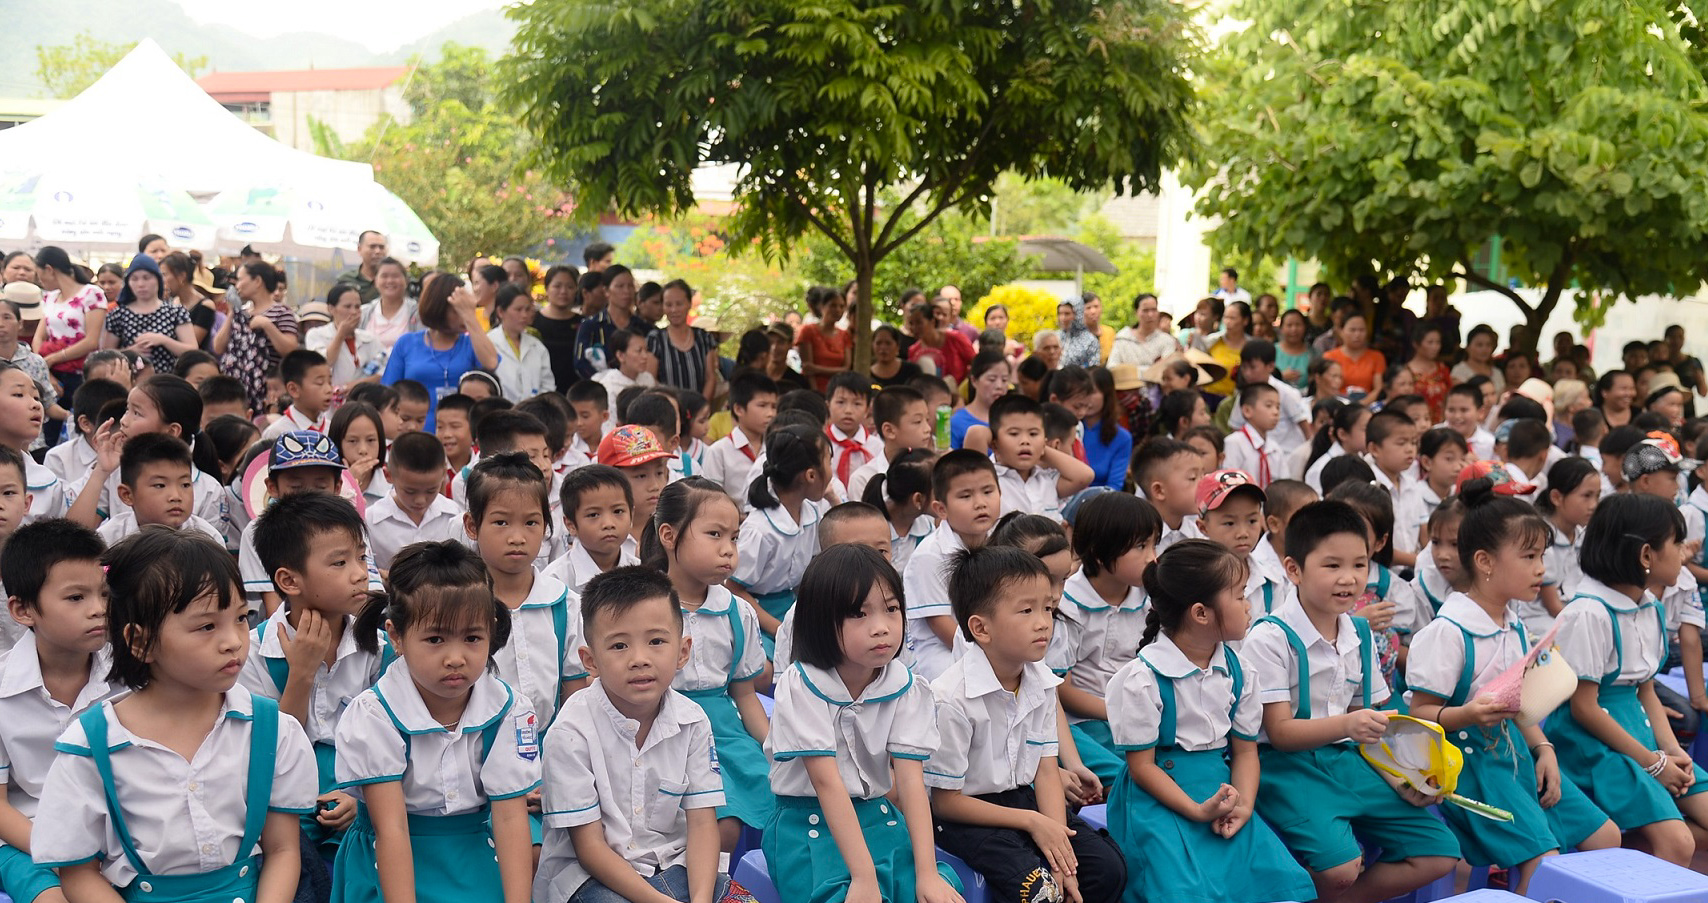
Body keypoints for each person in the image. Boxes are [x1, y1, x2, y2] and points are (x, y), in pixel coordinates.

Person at [34, 528, 316, 903]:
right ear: (140, 641)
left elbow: (282, 849)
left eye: (241, 618)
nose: (233, 641)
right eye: (206, 626)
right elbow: (80, 874)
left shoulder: (271, 729)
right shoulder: (90, 747)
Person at [1405, 482, 1619, 892]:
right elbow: (1420, 714)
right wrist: (1468, 714)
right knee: (1544, 863)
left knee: (1607, 838)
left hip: (1515, 754)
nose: (1541, 569)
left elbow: (1518, 706)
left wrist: (1544, 749)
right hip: (1468, 769)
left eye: (1541, 556)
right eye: (1529, 556)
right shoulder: (1448, 632)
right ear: (1484, 561)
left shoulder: (1514, 625)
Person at [1243, 501, 1461, 902]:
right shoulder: (1269, 638)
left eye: (1359, 565)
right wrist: (1347, 725)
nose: (1349, 578)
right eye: (1332, 566)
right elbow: (1281, 733)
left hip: (1348, 761)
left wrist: (1403, 780)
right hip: (1287, 768)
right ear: (1294, 569)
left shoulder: (1359, 633)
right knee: (1341, 869)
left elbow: (1372, 720)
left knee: (1440, 853)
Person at [1106, 539, 1316, 903]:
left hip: (1221, 791)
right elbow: (1142, 767)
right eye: (1240, 596)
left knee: (1278, 881)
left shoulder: (1240, 672)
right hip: (1161, 800)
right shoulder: (1143, 680)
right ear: (1201, 613)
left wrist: (1243, 806)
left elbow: (1245, 752)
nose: (1249, 606)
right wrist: (1196, 810)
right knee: (1182, 891)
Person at [332, 541, 539, 903]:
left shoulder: (510, 710)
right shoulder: (375, 715)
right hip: (391, 860)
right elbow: (391, 830)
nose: (455, 657)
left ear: (491, 632)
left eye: (472, 638)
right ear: (396, 636)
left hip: (475, 852)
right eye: (435, 639)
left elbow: (509, 819)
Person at [926, 545, 1127, 903]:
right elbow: (945, 803)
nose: (1043, 622)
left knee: (1106, 870)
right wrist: (1034, 823)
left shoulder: (1041, 681)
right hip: (969, 815)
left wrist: (1060, 848)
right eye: (1026, 610)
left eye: (1047, 608)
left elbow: (1046, 771)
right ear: (981, 628)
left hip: (1024, 799)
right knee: (1037, 889)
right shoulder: (951, 699)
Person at [761, 543, 961, 903]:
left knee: (940, 892)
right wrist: (864, 877)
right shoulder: (802, 684)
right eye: (859, 613)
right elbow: (826, 782)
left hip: (878, 817)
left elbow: (911, 783)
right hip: (806, 825)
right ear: (820, 620)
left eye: (891, 609)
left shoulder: (906, 686)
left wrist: (928, 873)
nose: (881, 628)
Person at [533, 567, 735, 903]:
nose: (639, 659)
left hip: (674, 864)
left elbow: (702, 824)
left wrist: (700, 900)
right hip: (592, 879)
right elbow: (589, 849)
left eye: (656, 641)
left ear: (683, 651)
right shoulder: (571, 731)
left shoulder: (693, 721)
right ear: (590, 660)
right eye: (619, 645)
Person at [1545, 493, 1708, 865]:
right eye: (1677, 544)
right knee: (1678, 844)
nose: (1683, 554)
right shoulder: (1588, 613)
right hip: (1591, 743)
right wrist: (1652, 763)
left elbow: (1645, 690)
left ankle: (1613, 857)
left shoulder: (1649, 605)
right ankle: (1611, 861)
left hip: (1637, 732)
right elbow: (1584, 708)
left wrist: (1672, 751)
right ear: (1646, 555)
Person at [637, 479, 775, 853]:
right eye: (714, 534)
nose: (728, 549)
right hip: (661, 731)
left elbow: (744, 695)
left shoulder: (736, 611)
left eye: (734, 537)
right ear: (669, 535)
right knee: (719, 823)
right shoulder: (642, 608)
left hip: (725, 734)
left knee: (772, 796)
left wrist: (773, 749)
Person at [0, 517, 118, 903]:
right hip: (27, 838)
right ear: (23, 610)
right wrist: (62, 852)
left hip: (117, 832)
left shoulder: (130, 675)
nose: (98, 609)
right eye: (75, 598)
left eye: (104, 594)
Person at [465, 454, 585, 738]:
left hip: (551, 745)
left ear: (546, 526)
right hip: (477, 745)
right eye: (501, 522)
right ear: (472, 526)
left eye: (531, 522)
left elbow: (574, 692)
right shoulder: (460, 605)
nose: (517, 537)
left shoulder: (564, 604)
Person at [1054, 491, 1163, 787]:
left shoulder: (1150, 598)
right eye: (1140, 546)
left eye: (1154, 544)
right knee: (1124, 773)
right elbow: (1061, 689)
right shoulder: (1068, 603)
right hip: (1085, 722)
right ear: (1100, 553)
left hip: (1139, 717)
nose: (1152, 556)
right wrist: (1117, 711)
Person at [729, 424, 833, 650]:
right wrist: (779, 629)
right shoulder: (760, 530)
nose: (831, 471)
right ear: (811, 475)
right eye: (829, 461)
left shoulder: (811, 513)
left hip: (792, 608)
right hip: (756, 613)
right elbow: (733, 588)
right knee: (771, 666)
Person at [904, 450, 1001, 681]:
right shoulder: (929, 556)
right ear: (941, 509)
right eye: (966, 496)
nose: (980, 503)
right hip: (941, 654)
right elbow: (940, 624)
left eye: (988, 492)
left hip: (991, 646)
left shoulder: (1001, 544)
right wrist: (991, 658)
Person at [382, 274, 498, 431]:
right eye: (457, 311)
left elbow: (491, 363)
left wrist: (470, 317)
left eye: (467, 310)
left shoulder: (471, 343)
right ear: (440, 309)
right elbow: (387, 394)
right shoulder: (407, 343)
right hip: (415, 432)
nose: (463, 316)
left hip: (459, 434)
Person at [212, 260, 299, 415]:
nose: (237, 285)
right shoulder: (243, 312)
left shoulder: (281, 312)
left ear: (257, 281)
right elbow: (218, 347)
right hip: (237, 392)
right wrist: (232, 314)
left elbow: (290, 350)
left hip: (268, 392)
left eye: (240, 279)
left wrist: (267, 326)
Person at [102, 253, 198, 377]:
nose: (140, 284)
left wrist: (163, 340)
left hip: (167, 380)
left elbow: (192, 352)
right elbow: (106, 355)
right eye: (134, 279)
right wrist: (129, 352)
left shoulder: (176, 312)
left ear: (158, 279)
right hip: (130, 380)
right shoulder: (118, 315)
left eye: (146, 278)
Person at [32, 247, 107, 401]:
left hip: (81, 371)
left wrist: (54, 358)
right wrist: (45, 369)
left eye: (39, 274)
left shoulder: (91, 293)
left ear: (49, 269)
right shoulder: (50, 297)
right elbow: (38, 337)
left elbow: (92, 341)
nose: (39, 280)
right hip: (52, 370)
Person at [307, 283, 388, 392]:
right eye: (347, 307)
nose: (354, 312)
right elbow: (324, 363)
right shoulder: (316, 335)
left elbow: (384, 370)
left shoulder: (369, 338)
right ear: (331, 309)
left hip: (364, 397)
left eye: (357, 307)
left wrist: (355, 386)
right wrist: (341, 335)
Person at [647, 278, 719, 400]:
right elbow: (650, 379)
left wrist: (701, 406)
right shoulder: (655, 339)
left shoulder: (703, 338)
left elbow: (710, 378)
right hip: (666, 408)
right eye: (668, 305)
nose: (674, 310)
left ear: (689, 304)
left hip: (699, 408)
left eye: (679, 304)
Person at [484, 284, 552, 403]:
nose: (524, 315)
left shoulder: (536, 346)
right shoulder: (488, 343)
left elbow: (547, 385)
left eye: (527, 309)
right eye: (518, 310)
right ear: (500, 311)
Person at [574, 264, 640, 378]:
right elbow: (581, 363)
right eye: (620, 286)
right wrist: (604, 383)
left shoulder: (642, 327)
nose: (626, 291)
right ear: (606, 291)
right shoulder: (591, 325)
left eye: (630, 286)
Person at [261, 349, 333, 440]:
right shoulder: (277, 433)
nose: (329, 389)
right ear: (293, 389)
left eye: (330, 382)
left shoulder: (332, 429)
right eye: (320, 383)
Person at [795, 285, 854, 393]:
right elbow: (808, 370)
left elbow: (846, 369)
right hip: (811, 391)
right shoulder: (808, 331)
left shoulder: (845, 335)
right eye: (833, 305)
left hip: (837, 390)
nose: (838, 310)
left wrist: (816, 369)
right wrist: (816, 393)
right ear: (822, 306)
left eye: (842, 306)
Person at [533, 265, 582, 393]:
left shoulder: (583, 323)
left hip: (576, 392)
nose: (563, 291)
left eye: (570, 287)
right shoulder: (532, 321)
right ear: (547, 288)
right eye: (557, 286)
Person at [906, 299, 975, 383]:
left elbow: (976, 363)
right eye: (911, 323)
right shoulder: (913, 351)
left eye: (919, 322)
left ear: (932, 321)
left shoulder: (956, 339)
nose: (914, 327)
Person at [1108, 292, 1180, 372]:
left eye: (1154, 310)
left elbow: (1167, 369)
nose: (1150, 315)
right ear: (1136, 312)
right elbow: (1112, 367)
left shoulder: (1166, 340)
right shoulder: (1122, 339)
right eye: (1145, 310)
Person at [336, 230, 389, 303]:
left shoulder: (392, 281)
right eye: (372, 247)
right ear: (359, 249)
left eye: (381, 247)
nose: (377, 251)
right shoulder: (346, 279)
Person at [869, 323, 925, 388]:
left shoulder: (912, 371)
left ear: (898, 346)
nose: (883, 347)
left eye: (888, 343)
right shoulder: (867, 373)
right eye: (878, 343)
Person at [1057, 297, 1101, 370]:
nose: (1063, 318)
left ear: (1078, 314)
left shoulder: (1090, 341)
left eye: (1067, 314)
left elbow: (1093, 370)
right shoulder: (1056, 337)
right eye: (1060, 313)